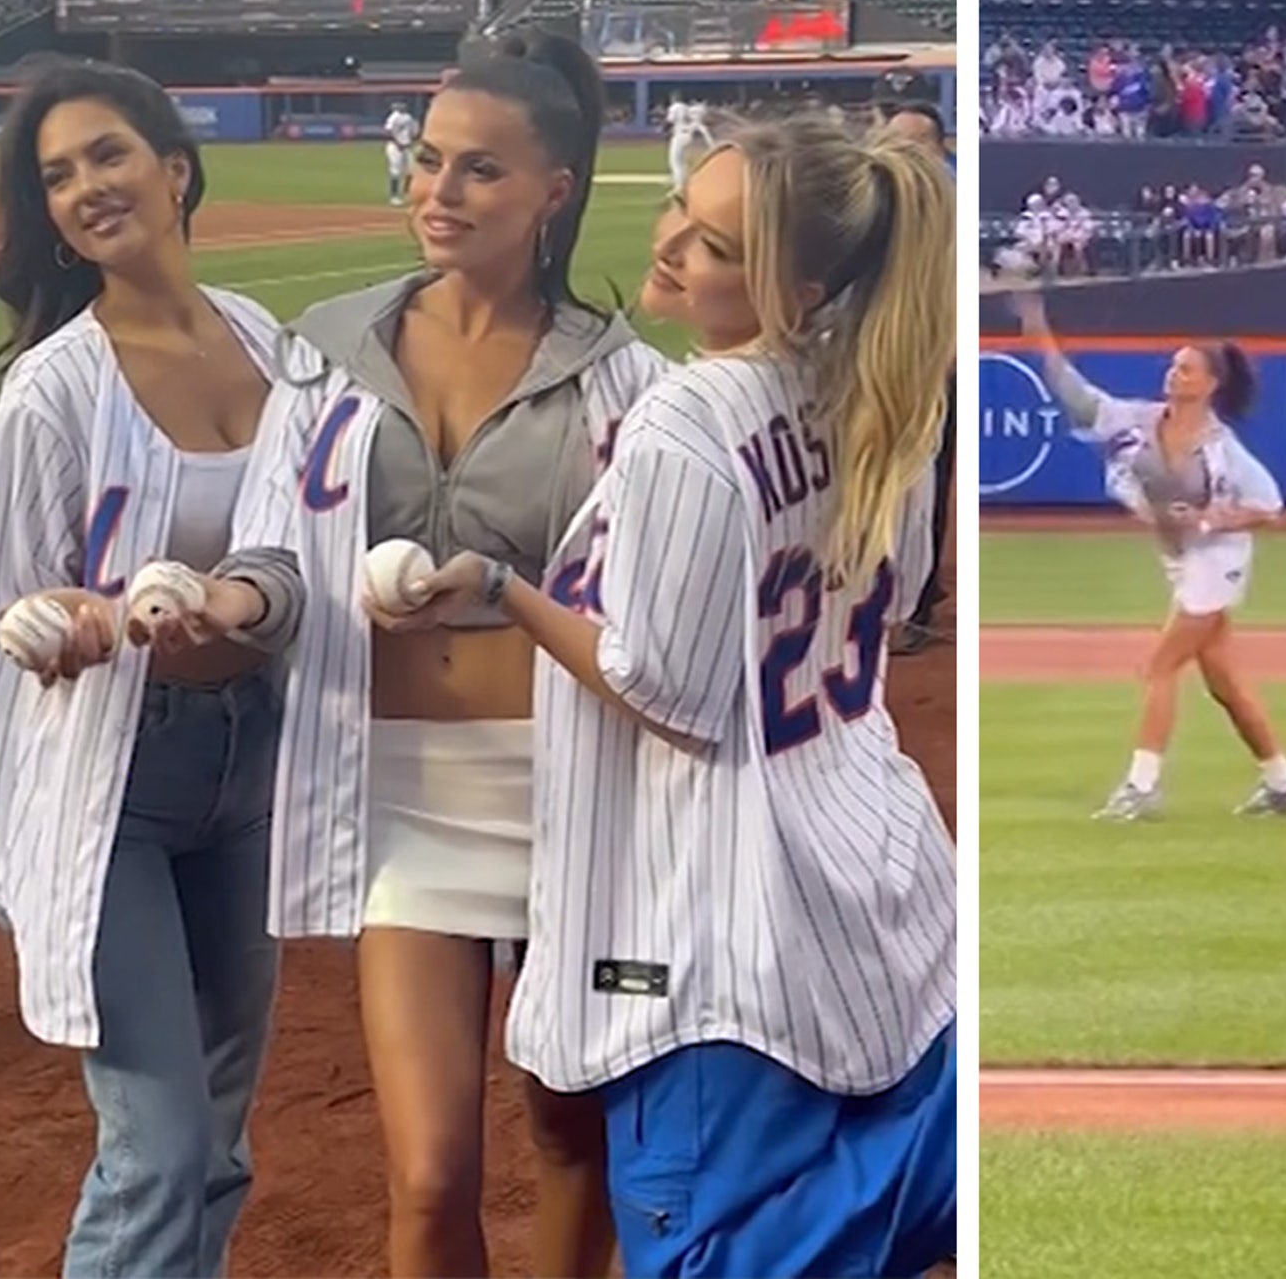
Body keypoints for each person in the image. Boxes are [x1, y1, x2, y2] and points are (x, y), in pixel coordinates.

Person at [395, 113, 958, 1278]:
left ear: (794, 286)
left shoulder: (686, 419)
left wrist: (503, 587)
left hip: (716, 942)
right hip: (877, 889)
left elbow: (667, 694)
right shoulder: (876, 397)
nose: (669, 248)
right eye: (682, 217)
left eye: (710, 245)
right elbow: (891, 608)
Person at [152, 28, 669, 1277]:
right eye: (430, 163)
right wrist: (229, 605)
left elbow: (645, 614)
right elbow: (277, 550)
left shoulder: (625, 382)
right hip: (399, 800)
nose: (438, 192)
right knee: (430, 1170)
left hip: (574, 795)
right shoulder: (322, 347)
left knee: (569, 1130)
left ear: (553, 191)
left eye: (478, 171)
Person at [0, 59, 284, 1277]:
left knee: (217, 1139)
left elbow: (307, 542)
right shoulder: (53, 390)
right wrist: (63, 624)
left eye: (107, 154)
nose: (87, 186)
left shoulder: (264, 339)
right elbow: (11, 619)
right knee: (154, 1150)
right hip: (114, 789)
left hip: (250, 770)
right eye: (56, 175)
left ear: (176, 170)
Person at [1011, 289, 1286, 821]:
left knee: (1158, 665)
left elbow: (1271, 507)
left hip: (1218, 558)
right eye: (1173, 367)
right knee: (1225, 682)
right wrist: (1037, 326)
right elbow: (1071, 390)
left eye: (1187, 370)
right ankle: (1284, 785)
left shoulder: (1222, 448)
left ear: (1211, 384)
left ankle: (1142, 788)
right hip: (1179, 558)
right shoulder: (1134, 420)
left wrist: (1212, 519)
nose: (1175, 375)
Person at [880, 101, 955, 656]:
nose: (894, 150)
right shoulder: (882, 196)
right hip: (881, 357)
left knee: (919, 488)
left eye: (907, 142)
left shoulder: (945, 201)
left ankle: (914, 606)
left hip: (927, 362)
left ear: (935, 148)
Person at [383, 99, 420, 206]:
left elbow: (413, 132)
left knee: (411, 170)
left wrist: (412, 140)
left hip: (407, 147)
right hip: (395, 147)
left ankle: (407, 194)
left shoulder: (409, 117)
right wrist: (398, 143)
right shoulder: (393, 117)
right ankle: (394, 196)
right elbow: (388, 131)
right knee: (396, 171)